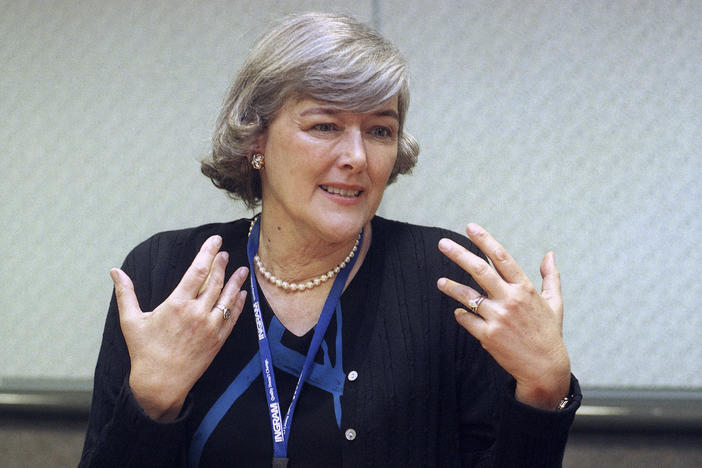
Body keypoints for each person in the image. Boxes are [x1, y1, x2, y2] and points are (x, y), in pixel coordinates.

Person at [79, 12, 580, 468]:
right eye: (325, 125)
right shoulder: (168, 272)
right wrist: (150, 400)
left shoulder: (445, 282)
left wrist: (543, 390)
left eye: (380, 131)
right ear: (257, 140)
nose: (357, 157)